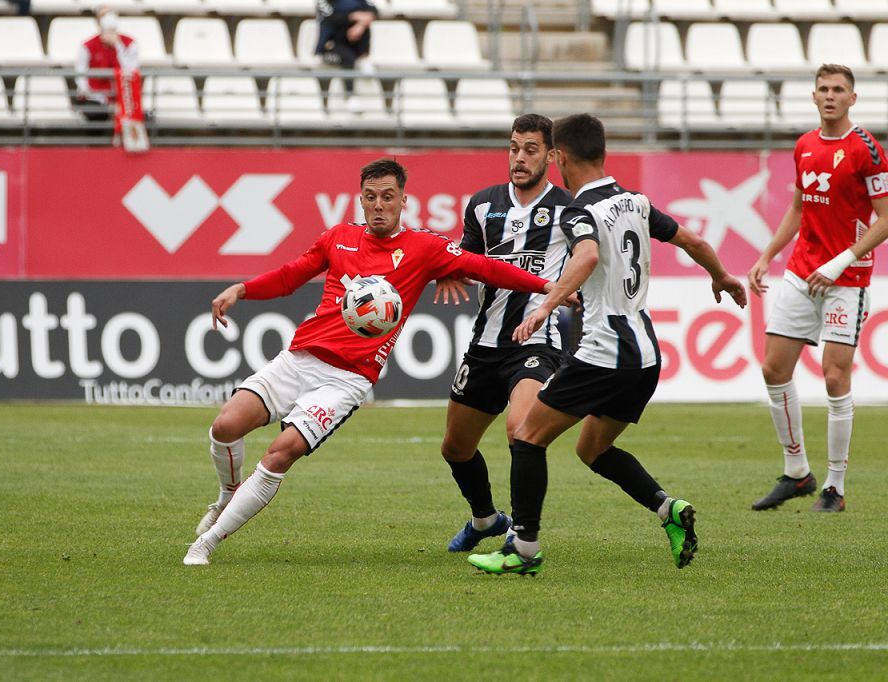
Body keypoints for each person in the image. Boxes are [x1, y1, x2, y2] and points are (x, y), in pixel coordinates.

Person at [183, 158, 569, 566]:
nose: (379, 205)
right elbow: (290, 275)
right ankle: (227, 496)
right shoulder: (339, 238)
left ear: (404, 200)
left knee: (281, 453)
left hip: (347, 379)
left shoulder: (425, 248)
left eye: (388, 197)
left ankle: (205, 542)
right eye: (371, 197)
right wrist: (242, 289)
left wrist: (551, 287)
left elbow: (487, 268)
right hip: (298, 359)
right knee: (225, 426)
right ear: (361, 200)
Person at [467, 113, 747, 575]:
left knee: (527, 437)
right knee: (592, 449)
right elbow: (693, 240)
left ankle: (524, 550)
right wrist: (722, 275)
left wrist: (545, 306)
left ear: (558, 157)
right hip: (646, 355)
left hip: (603, 352)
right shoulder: (636, 201)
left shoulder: (579, 210)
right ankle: (667, 509)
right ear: (603, 153)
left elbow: (588, 253)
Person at [748, 64, 888, 513]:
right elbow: (797, 208)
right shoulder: (805, 145)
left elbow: (886, 218)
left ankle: (835, 486)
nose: (830, 96)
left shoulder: (868, 150)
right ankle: (797, 473)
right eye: (823, 89)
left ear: (852, 98)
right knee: (773, 368)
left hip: (846, 278)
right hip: (802, 271)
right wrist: (767, 255)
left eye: (838, 90)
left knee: (833, 376)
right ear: (813, 97)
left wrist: (841, 259)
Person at [433, 113, 572, 553]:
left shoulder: (569, 208)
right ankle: (487, 519)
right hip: (485, 344)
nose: (519, 157)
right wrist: (448, 272)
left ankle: (521, 533)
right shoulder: (482, 203)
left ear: (550, 156)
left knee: (520, 429)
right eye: (514, 148)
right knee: (455, 448)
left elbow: (591, 258)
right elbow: (466, 257)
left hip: (535, 342)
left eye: (530, 149)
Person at [75, 4, 139, 122]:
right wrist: (101, 99)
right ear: (97, 21)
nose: (108, 18)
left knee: (141, 114)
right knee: (96, 113)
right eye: (103, 15)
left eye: (110, 14)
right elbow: (80, 78)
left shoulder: (130, 44)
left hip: (124, 98)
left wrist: (118, 45)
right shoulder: (87, 46)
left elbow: (131, 72)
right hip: (97, 100)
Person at [315, 0, 376, 112]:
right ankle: (350, 96)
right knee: (348, 57)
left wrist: (360, 25)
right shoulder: (323, 1)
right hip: (328, 48)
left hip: (351, 44)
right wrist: (353, 16)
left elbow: (373, 10)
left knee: (364, 26)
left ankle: (364, 58)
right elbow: (331, 19)